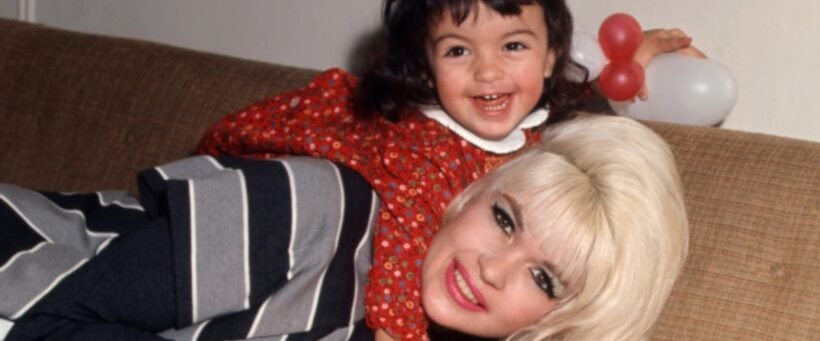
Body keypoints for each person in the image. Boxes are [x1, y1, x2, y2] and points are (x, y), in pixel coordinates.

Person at [195, 0, 702, 338]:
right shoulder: (426, 156)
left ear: (552, 58)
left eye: (514, 47)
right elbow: (401, 257)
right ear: (428, 63)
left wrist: (634, 57)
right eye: (458, 50)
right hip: (276, 193)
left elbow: (582, 118)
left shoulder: (539, 132)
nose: (488, 71)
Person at [2, 115, 688, 341]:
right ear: (470, 192)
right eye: (504, 219)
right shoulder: (321, 210)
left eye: (544, 277)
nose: (492, 269)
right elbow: (53, 311)